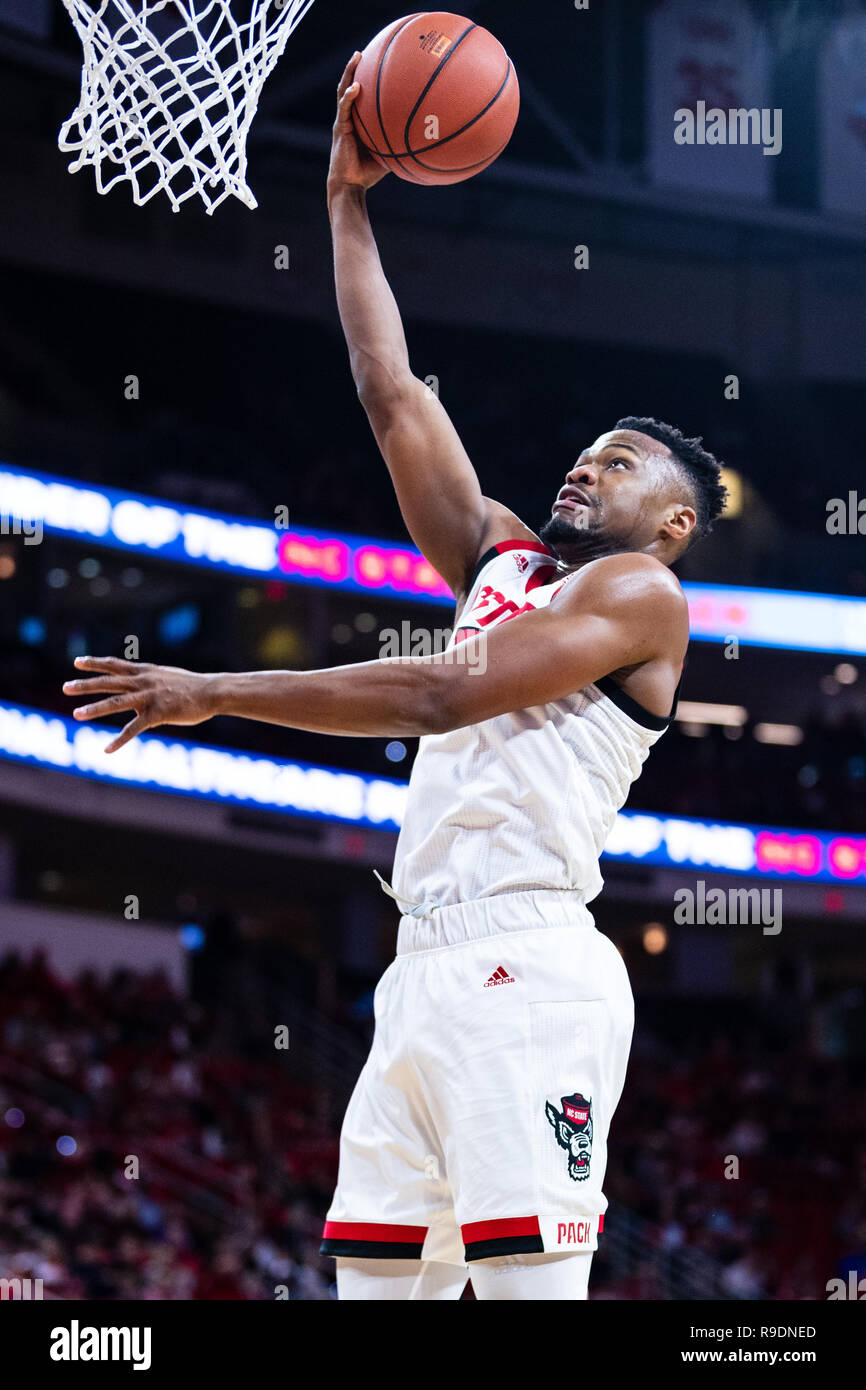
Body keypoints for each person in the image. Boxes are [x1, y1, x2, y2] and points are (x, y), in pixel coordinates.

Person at [63, 53, 727, 1301]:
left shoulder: (639, 595)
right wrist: (344, 201)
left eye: (622, 464)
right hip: (418, 970)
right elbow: (388, 391)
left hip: (526, 967)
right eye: (585, 453)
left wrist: (213, 691)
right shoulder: (504, 557)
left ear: (674, 524)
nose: (587, 468)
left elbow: (438, 694)